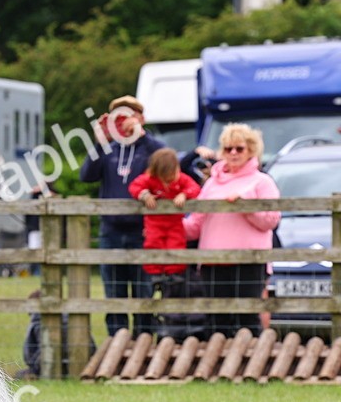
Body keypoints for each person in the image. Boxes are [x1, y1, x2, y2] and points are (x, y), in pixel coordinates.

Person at [79, 95, 167, 337]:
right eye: (118, 116)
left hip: (142, 231)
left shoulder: (150, 148)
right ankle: (116, 341)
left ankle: (144, 341)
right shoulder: (109, 149)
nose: (123, 121)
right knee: (114, 292)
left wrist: (142, 136)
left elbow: (169, 162)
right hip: (111, 232)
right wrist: (99, 143)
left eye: (129, 114)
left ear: (141, 117)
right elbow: (86, 175)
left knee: (143, 291)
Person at [184, 123, 280, 338]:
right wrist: (168, 224)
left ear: (251, 151)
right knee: (217, 319)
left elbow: (271, 221)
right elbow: (195, 225)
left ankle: (252, 367)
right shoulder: (210, 184)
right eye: (228, 149)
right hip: (212, 262)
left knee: (246, 318)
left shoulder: (262, 182)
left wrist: (245, 206)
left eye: (239, 148)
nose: (234, 153)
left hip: (249, 261)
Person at [128, 147, 201, 279]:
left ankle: (174, 273)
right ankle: (155, 274)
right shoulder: (149, 179)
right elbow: (134, 186)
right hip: (154, 223)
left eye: (173, 174)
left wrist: (184, 194)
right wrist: (144, 195)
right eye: (166, 177)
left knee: (177, 244)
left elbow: (194, 187)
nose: (170, 179)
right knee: (153, 244)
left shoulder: (181, 179)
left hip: (175, 222)